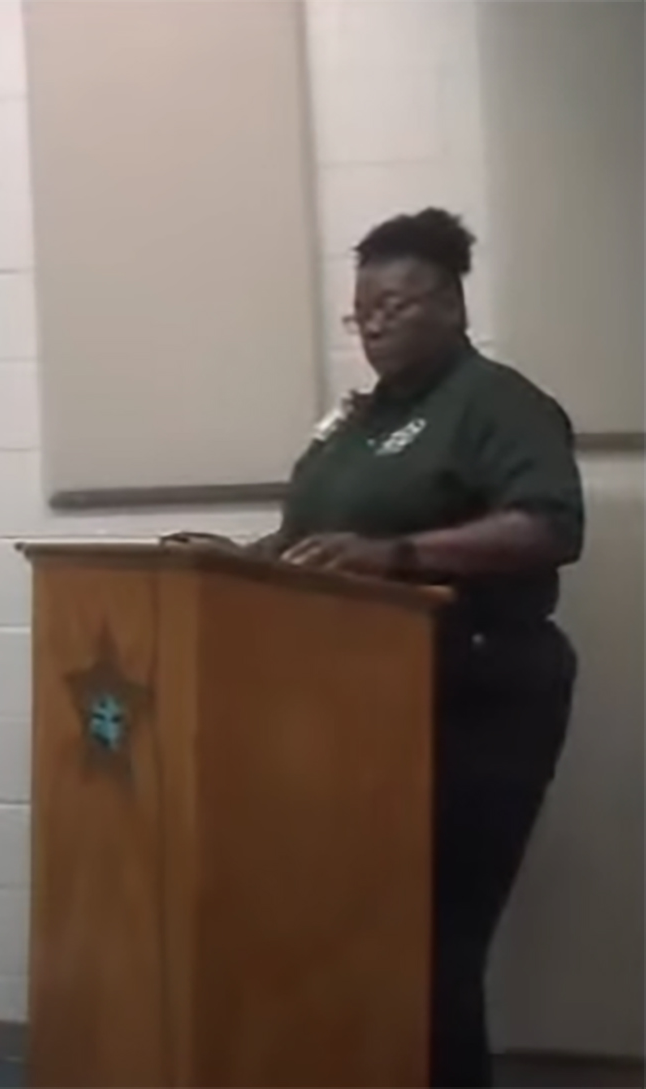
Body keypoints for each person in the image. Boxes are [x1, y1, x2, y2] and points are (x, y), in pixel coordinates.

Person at [248, 208, 584, 1087]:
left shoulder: (497, 402)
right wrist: (239, 560)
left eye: (398, 302)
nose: (377, 322)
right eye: (363, 309)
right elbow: (315, 536)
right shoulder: (352, 422)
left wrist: (400, 555)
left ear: (452, 304)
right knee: (367, 928)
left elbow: (548, 525)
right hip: (357, 706)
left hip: (477, 693)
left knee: (433, 939)